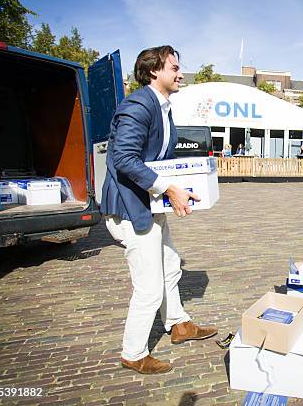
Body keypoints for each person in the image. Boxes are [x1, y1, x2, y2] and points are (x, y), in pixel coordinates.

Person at [100, 45, 218, 375]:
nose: (181, 73)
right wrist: (168, 187)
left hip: (148, 205)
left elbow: (157, 158)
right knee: (149, 286)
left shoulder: (163, 108)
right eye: (174, 67)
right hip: (129, 208)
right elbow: (124, 159)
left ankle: (179, 324)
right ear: (154, 71)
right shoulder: (139, 105)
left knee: (169, 266)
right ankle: (133, 353)